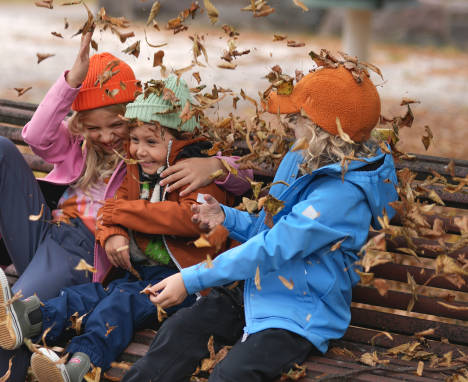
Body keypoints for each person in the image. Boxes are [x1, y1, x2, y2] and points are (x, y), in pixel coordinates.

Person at [0, 32, 251, 381]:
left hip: (81, 253)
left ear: (137, 120)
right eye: (95, 127)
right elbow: (35, 135)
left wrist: (215, 165)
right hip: (43, 230)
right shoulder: (79, 146)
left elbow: (243, 171)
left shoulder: (143, 155)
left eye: (118, 126)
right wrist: (71, 82)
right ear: (81, 125)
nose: (107, 137)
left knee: (7, 319)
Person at [121, 64, 400, 382]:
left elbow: (274, 247)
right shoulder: (301, 156)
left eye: (297, 120)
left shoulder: (342, 196)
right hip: (255, 287)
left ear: (319, 130)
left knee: (234, 374)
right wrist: (227, 216)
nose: (290, 126)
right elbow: (273, 227)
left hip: (301, 311)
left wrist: (190, 280)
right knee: (180, 331)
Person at [0, 75, 237, 382]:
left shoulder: (198, 173)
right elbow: (108, 215)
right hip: (138, 274)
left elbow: (185, 219)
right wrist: (112, 228)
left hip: (186, 281)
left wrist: (123, 212)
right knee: (85, 298)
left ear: (179, 140)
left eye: (150, 142)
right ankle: (27, 317)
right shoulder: (137, 169)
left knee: (116, 308)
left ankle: (78, 366)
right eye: (135, 140)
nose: (138, 151)